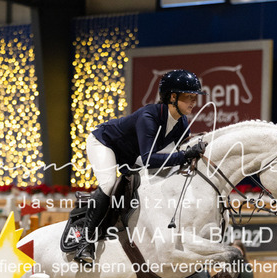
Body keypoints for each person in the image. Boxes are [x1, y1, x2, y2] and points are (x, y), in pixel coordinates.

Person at [75, 69, 207, 264]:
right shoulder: (149, 116)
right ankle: (85, 242)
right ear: (172, 97)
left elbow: (183, 150)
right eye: (189, 97)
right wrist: (183, 156)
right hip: (104, 143)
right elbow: (149, 159)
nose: (194, 102)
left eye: (195, 97)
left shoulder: (181, 122)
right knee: (109, 183)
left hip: (130, 155)